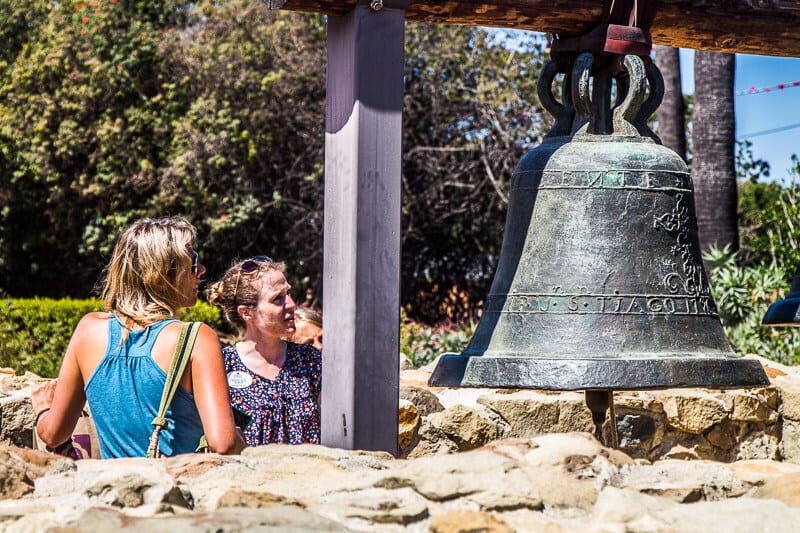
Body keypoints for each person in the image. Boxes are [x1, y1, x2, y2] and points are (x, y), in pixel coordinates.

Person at [31, 217, 245, 458]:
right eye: (193, 261)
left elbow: (53, 434)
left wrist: (43, 410)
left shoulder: (88, 330)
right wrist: (240, 438)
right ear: (163, 273)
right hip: (179, 490)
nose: (202, 270)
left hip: (113, 492)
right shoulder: (196, 338)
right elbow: (224, 444)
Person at [206, 256, 321, 446]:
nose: (291, 304)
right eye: (278, 299)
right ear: (246, 312)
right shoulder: (223, 366)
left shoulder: (310, 360)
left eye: (288, 293)